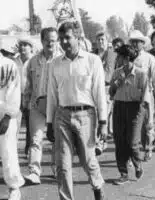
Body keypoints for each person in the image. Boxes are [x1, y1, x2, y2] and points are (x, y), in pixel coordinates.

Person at [46, 21, 107, 200]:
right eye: (61, 39)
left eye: (68, 38)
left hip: (86, 116)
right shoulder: (55, 63)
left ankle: (97, 187)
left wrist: (103, 122)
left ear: (78, 38)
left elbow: (99, 93)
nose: (64, 42)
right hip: (62, 116)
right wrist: (49, 123)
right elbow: (51, 95)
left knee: (88, 161)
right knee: (62, 165)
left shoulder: (92, 60)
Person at [24, 27, 61, 184]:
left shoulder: (62, 60)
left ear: (57, 41)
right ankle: (34, 172)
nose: (50, 43)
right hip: (37, 106)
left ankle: (57, 169)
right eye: (47, 40)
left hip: (57, 106)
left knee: (57, 140)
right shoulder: (33, 61)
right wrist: (26, 103)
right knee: (35, 139)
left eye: (53, 40)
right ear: (42, 41)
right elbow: (29, 85)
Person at [109, 44, 146, 185]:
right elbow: (111, 94)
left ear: (126, 59)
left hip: (135, 109)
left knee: (132, 143)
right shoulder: (116, 73)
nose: (117, 59)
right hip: (119, 107)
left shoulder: (141, 74)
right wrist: (118, 82)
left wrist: (145, 114)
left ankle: (138, 164)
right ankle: (123, 173)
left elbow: (145, 95)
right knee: (119, 142)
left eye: (119, 56)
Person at [128, 30, 155, 161]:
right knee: (132, 126)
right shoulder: (127, 57)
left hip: (146, 97)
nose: (135, 44)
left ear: (143, 43)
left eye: (138, 42)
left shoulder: (149, 58)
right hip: (130, 97)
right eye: (133, 42)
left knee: (147, 124)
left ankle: (148, 148)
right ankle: (132, 153)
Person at [0, 50, 25, 200]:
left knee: (8, 152)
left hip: (3, 115)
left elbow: (14, 92)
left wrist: (8, 116)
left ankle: (14, 188)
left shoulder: (8, 65)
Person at [94, 31, 116, 155]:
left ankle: (101, 142)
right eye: (99, 40)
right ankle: (100, 140)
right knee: (96, 116)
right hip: (94, 90)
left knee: (103, 116)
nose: (101, 42)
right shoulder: (93, 55)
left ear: (107, 42)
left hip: (106, 89)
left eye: (103, 39)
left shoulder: (110, 54)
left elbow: (108, 72)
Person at [15, 37, 34, 156]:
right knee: (14, 125)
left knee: (30, 125)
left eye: (26, 44)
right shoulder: (14, 60)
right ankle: (10, 151)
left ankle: (29, 150)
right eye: (21, 44)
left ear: (31, 47)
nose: (23, 47)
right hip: (16, 96)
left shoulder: (34, 61)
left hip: (31, 95)